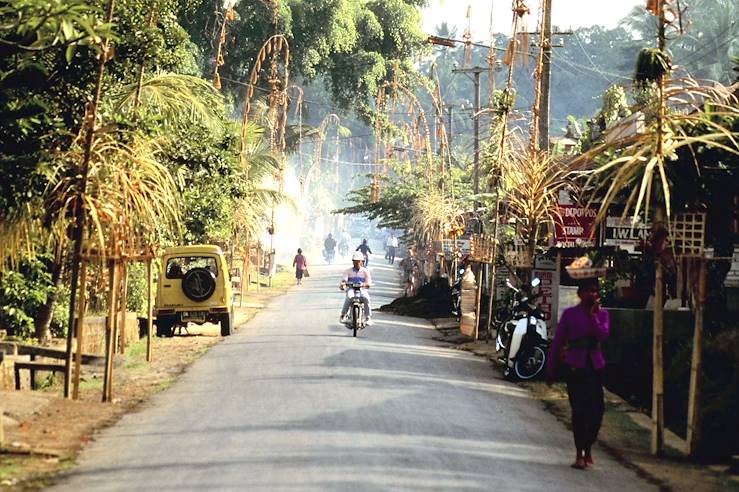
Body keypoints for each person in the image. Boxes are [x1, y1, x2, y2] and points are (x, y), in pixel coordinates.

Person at [545, 276, 610, 470]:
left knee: (597, 412)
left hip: (596, 367)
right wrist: (551, 368)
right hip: (576, 367)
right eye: (588, 291)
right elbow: (558, 342)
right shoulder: (570, 315)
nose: (592, 294)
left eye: (594, 291)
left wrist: (594, 318)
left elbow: (603, 335)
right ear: (580, 294)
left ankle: (588, 446)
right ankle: (580, 452)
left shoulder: (603, 314)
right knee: (579, 411)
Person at [339, 251, 373, 325]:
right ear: (353, 262)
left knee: (366, 298)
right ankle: (343, 315)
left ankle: (368, 317)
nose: (357, 263)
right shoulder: (348, 271)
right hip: (351, 289)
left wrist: (367, 284)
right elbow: (344, 280)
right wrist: (343, 285)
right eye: (355, 261)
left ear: (362, 262)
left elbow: (368, 282)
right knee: (349, 297)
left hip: (362, 289)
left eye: (358, 261)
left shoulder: (365, 271)